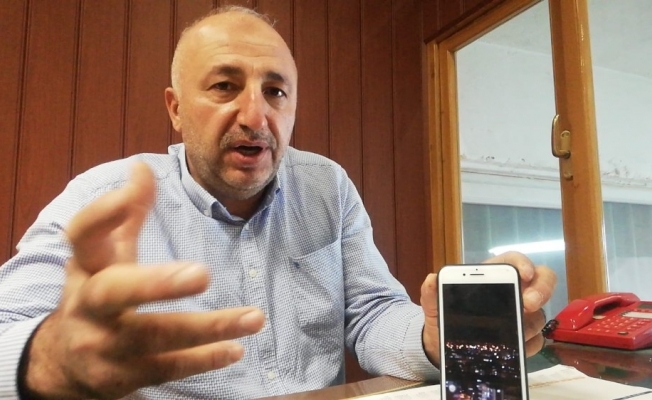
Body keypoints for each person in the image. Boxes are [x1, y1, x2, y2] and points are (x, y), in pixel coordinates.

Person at [0, 6, 556, 400]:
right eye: (224, 86)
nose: (255, 116)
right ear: (175, 108)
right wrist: (52, 359)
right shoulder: (106, 197)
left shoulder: (327, 186)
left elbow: (371, 313)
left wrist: (435, 339)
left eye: (276, 91)